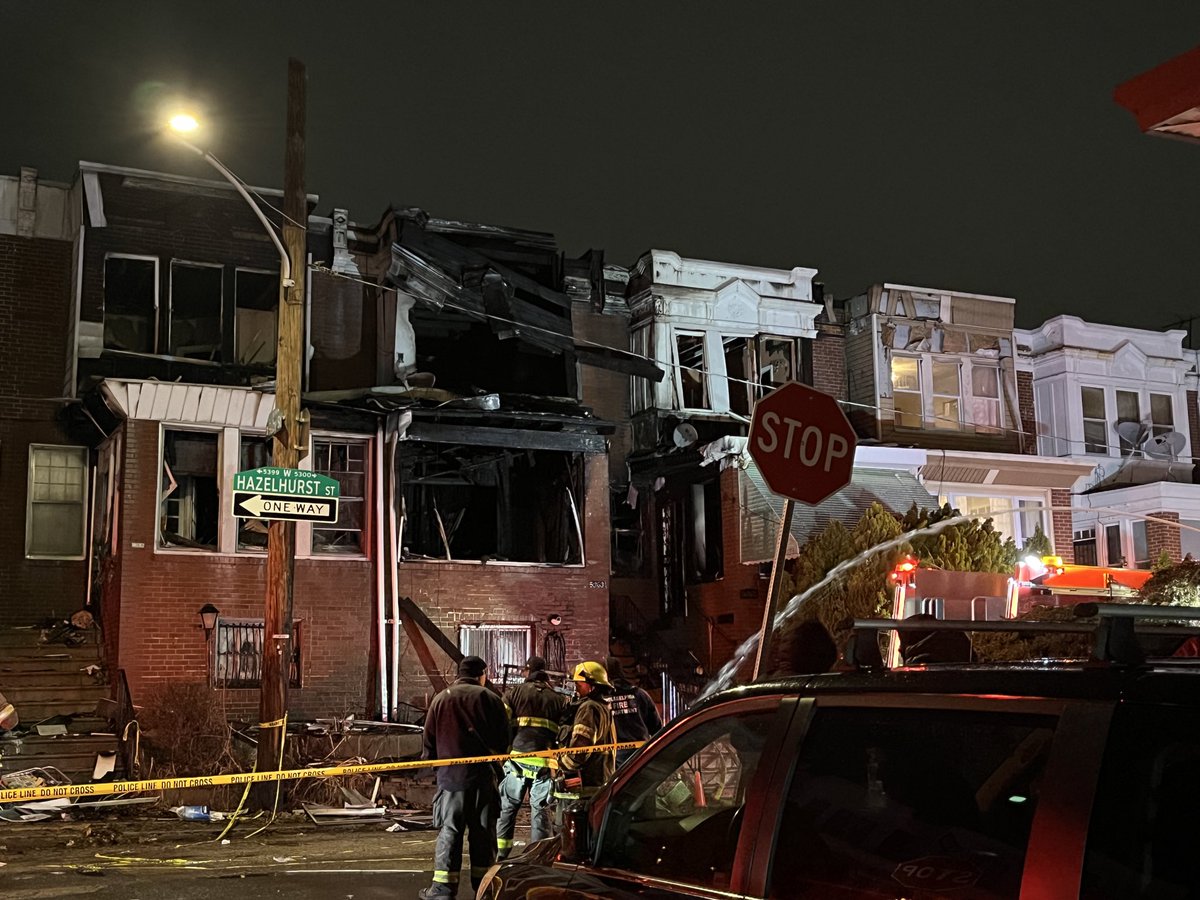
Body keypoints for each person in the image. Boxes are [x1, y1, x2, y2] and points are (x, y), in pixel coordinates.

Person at [419, 655, 510, 900]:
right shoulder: (491, 699)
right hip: (483, 779)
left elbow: (428, 745)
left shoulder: (441, 699)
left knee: (450, 832)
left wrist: (440, 770)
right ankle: (485, 889)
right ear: (482, 674)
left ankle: (442, 890)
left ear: (458, 674)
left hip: (450, 782)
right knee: (483, 833)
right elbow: (503, 743)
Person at [495, 656, 568, 860]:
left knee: (508, 808)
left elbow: (501, 725)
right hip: (545, 763)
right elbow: (562, 735)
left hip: (518, 759)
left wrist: (503, 754)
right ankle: (537, 859)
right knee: (540, 813)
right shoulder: (558, 698)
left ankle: (501, 855)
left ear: (528, 671)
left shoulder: (514, 693)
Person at [557, 661, 617, 796]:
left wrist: (562, 764)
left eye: (579, 684)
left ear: (592, 686)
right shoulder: (603, 707)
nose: (576, 687)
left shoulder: (589, 708)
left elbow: (581, 746)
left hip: (587, 783)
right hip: (600, 779)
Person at [604, 655, 662, 766]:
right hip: (641, 754)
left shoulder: (601, 698)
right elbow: (656, 727)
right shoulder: (640, 694)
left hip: (614, 756)